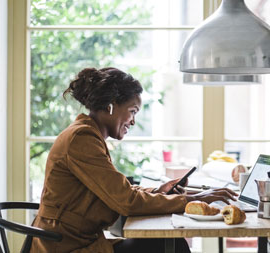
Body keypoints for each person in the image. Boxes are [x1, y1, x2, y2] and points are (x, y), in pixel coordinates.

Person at [30, 67, 238, 253]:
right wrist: (192, 200)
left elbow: (119, 191)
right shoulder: (82, 139)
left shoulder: (87, 134)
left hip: (77, 242)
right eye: (132, 111)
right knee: (170, 245)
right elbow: (126, 202)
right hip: (65, 247)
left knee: (170, 244)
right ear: (111, 106)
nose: (133, 121)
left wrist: (159, 191)